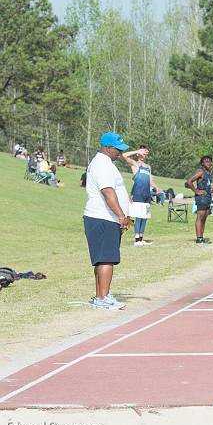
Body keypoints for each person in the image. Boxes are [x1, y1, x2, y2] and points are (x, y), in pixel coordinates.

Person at [83, 132, 130, 310]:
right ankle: (103, 298)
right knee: (106, 259)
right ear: (108, 148)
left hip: (103, 217)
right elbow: (108, 192)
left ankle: (101, 296)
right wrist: (120, 215)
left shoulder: (105, 163)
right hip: (103, 217)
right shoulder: (102, 164)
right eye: (117, 149)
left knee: (103, 259)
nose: (119, 153)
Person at [123, 146, 154, 246]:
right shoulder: (135, 164)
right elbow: (124, 155)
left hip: (147, 194)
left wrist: (157, 188)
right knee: (138, 217)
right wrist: (137, 151)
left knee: (145, 216)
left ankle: (141, 238)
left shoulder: (148, 167)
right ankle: (137, 240)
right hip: (138, 193)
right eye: (141, 152)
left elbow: (150, 181)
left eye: (145, 153)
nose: (143, 154)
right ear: (138, 154)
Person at [185, 156, 213, 244]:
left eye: (209, 161)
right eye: (206, 161)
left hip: (207, 197)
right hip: (201, 198)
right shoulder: (200, 171)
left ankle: (202, 237)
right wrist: (196, 191)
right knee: (200, 217)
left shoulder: (208, 173)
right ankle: (199, 238)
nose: (208, 163)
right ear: (202, 163)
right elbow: (189, 182)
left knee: (204, 218)